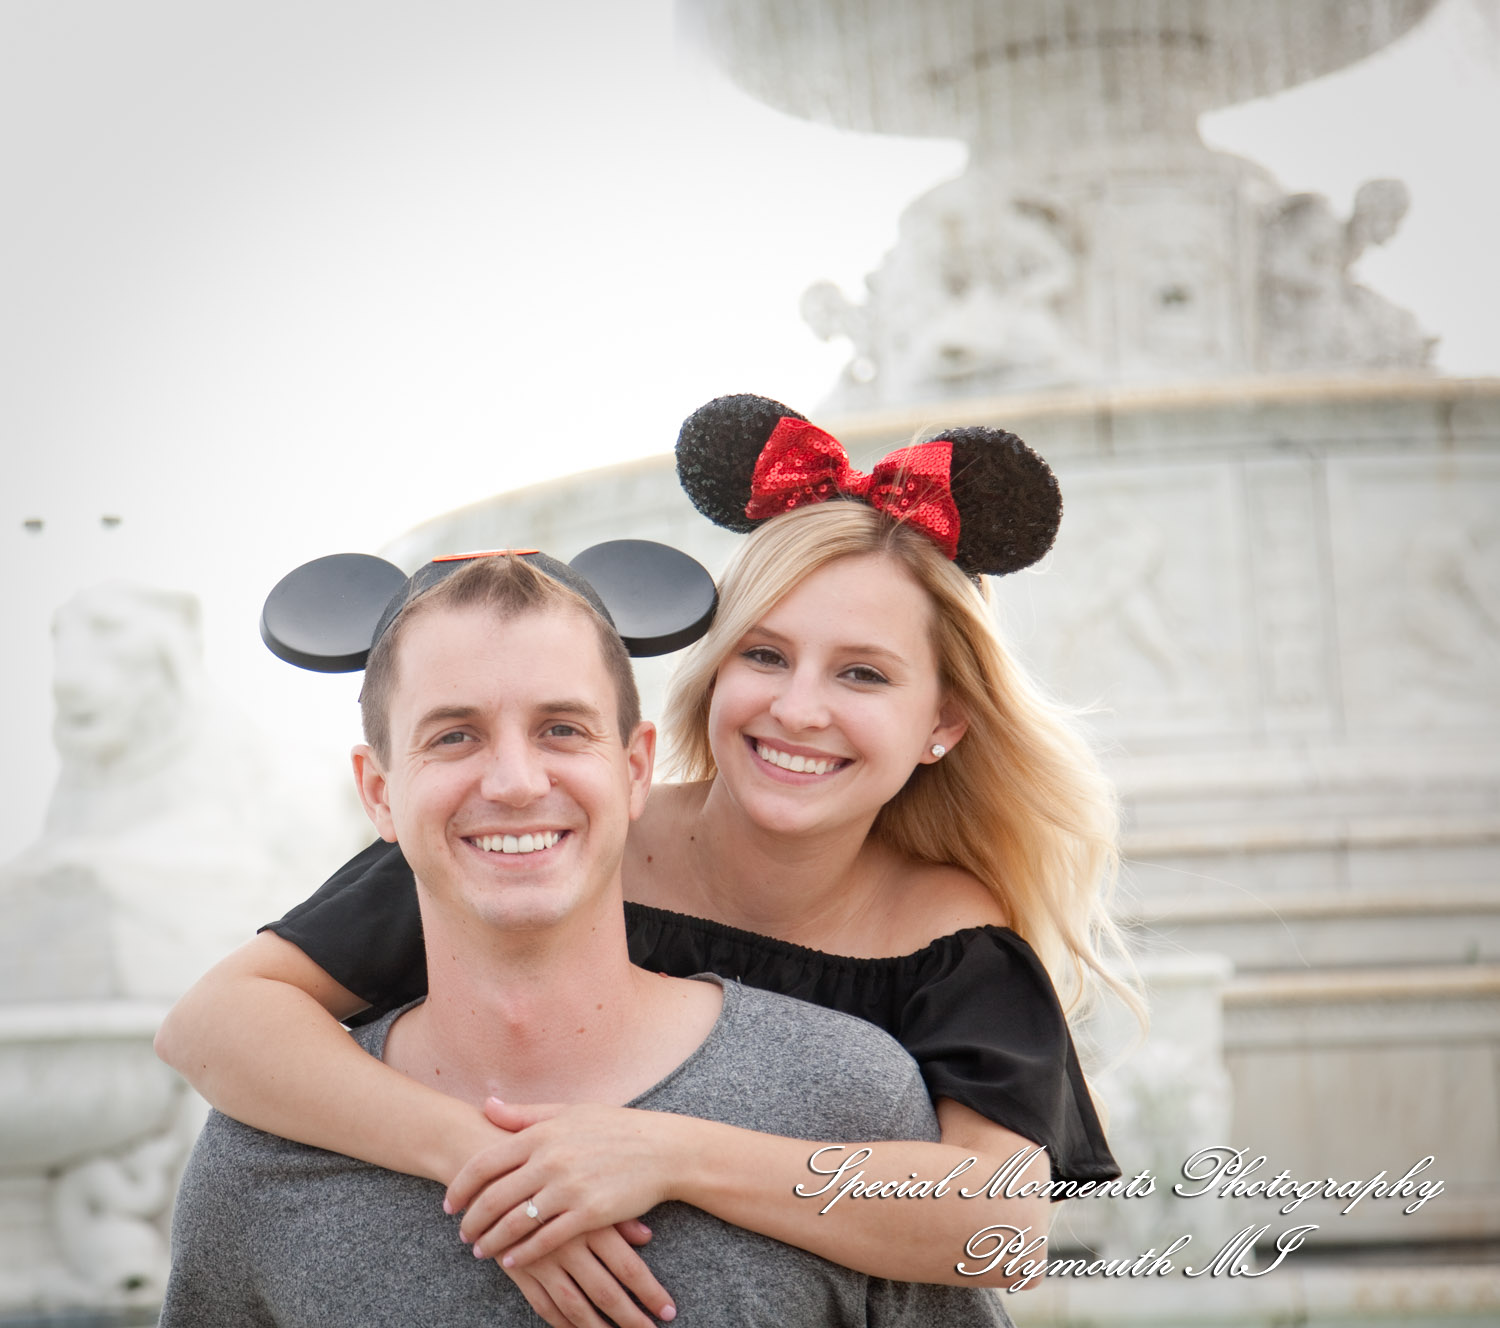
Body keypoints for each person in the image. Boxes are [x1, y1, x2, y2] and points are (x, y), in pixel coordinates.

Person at [156, 394, 1139, 1327]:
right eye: (763, 654)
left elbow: (999, 1225)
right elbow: (216, 1022)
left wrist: (666, 1150)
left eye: (863, 672)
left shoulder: (946, 936)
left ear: (944, 722)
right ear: (708, 675)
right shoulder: (550, 839)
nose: (797, 706)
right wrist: (498, 1169)